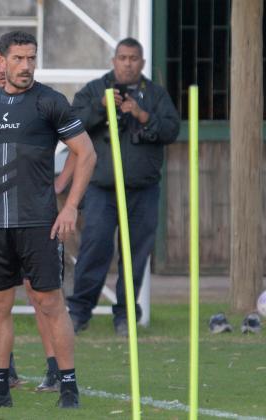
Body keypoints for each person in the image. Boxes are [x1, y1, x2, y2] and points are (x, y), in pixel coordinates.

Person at [0, 31, 96, 410]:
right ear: (1, 62)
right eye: (18, 59)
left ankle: (68, 386)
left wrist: (69, 205)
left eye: (31, 58)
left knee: (50, 302)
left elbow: (85, 153)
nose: (25, 66)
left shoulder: (50, 102)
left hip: (39, 222)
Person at [65, 37, 180, 336]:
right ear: (113, 61)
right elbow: (71, 124)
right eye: (123, 58)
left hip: (143, 190)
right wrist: (101, 107)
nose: (128, 63)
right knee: (94, 249)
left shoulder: (154, 94)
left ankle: (125, 317)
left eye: (133, 58)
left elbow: (171, 129)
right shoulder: (94, 89)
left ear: (141, 63)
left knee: (135, 256)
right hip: (102, 188)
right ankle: (79, 313)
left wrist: (142, 115)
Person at [0, 41, 63, 393]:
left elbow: (80, 147)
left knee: (41, 294)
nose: (3, 69)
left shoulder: (43, 103)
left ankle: (57, 368)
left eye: (7, 62)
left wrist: (62, 187)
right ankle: (4, 373)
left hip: (35, 217)